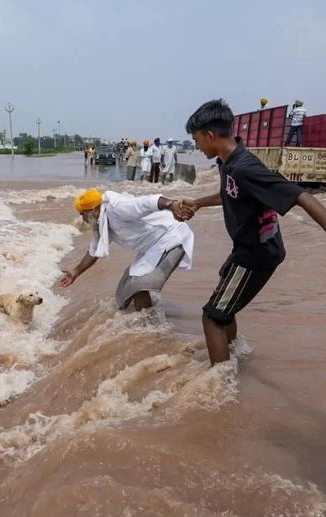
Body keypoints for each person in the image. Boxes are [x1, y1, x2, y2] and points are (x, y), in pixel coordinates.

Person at [178, 98, 326, 366]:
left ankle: (220, 385)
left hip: (256, 254)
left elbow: (300, 196)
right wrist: (198, 202)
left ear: (210, 136)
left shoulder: (246, 168)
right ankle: (231, 357)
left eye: (197, 140)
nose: (197, 146)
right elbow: (229, 193)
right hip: (246, 249)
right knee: (224, 307)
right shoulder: (228, 162)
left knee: (212, 317)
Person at [59, 188, 194, 311]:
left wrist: (172, 205)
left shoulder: (117, 207)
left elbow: (147, 202)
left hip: (171, 238)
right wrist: (76, 271)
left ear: (93, 210)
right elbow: (95, 249)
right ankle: (144, 322)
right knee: (125, 290)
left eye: (83, 214)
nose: (83, 219)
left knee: (138, 287)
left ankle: (150, 328)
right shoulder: (101, 220)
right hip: (152, 248)